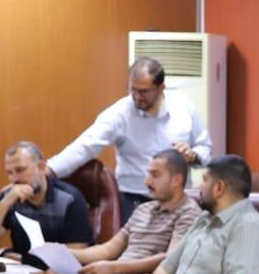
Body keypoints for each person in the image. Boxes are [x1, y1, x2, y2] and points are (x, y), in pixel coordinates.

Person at [49, 57, 213, 223]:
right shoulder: (119, 113)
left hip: (179, 201)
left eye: (144, 92)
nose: (136, 97)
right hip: (134, 200)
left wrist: (194, 155)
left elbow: (205, 147)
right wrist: (51, 170)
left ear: (161, 88)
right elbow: (85, 146)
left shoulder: (184, 108)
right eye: (132, 90)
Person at [143, 154, 259, 274]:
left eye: (204, 180)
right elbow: (165, 268)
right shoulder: (204, 219)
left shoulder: (249, 225)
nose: (199, 187)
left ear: (219, 188)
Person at [71, 149, 202, 274]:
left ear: (176, 180)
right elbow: (107, 250)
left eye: (155, 175)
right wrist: (65, 252)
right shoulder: (143, 209)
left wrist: (114, 268)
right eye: (148, 174)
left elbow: (171, 259)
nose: (147, 181)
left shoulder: (188, 212)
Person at [0, 142, 94, 255]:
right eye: (9, 173)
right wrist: (5, 203)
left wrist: (26, 262)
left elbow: (76, 256)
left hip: (58, 271)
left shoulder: (70, 199)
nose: (14, 179)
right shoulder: (10, 196)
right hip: (23, 270)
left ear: (41, 167)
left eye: (20, 170)